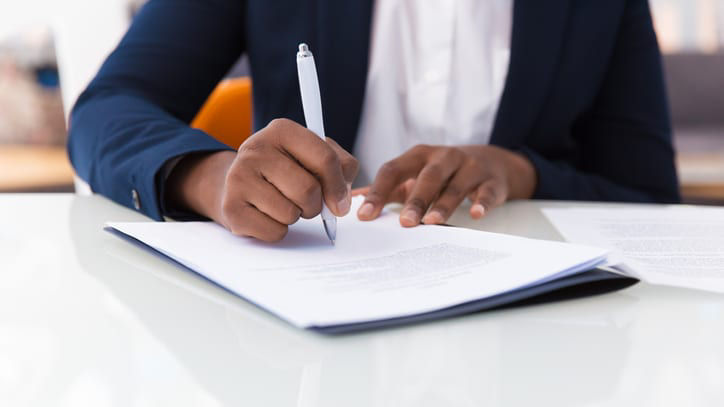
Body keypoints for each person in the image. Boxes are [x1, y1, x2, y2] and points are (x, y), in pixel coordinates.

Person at [68, 0, 680, 242]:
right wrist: (212, 176)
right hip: (305, 313)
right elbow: (107, 109)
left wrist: (519, 172)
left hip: (536, 341)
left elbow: (649, 197)